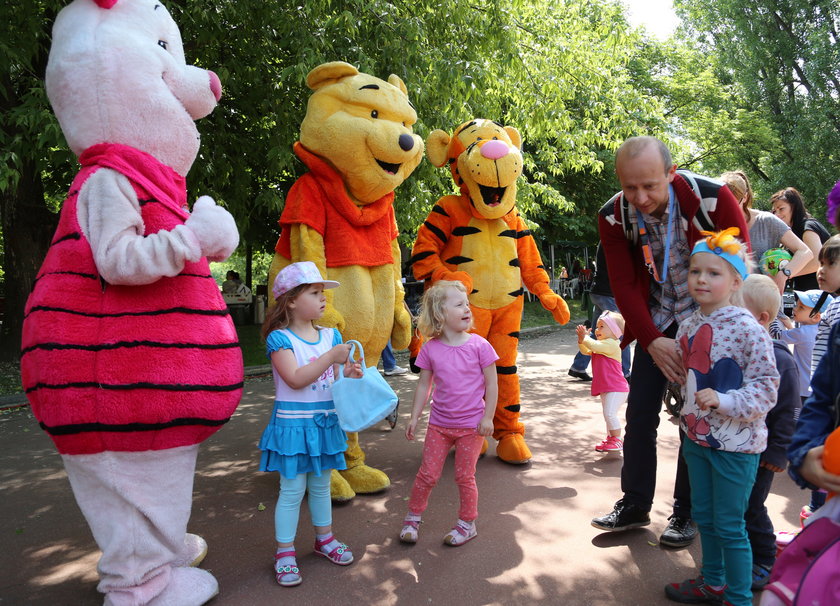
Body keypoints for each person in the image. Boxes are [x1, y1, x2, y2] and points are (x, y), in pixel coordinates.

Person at [593, 136, 750, 547]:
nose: (640, 197)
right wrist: (651, 341)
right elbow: (624, 285)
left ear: (670, 173)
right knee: (639, 413)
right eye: (630, 187)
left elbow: (737, 267)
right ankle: (634, 503)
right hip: (657, 318)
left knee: (696, 418)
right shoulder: (612, 217)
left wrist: (717, 337)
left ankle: (686, 512)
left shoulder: (714, 200)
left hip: (709, 322)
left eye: (650, 185)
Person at [664, 230, 779, 606]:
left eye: (714, 273)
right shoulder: (688, 325)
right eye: (695, 271)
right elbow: (690, 373)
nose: (701, 279)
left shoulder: (749, 328)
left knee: (731, 525)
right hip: (696, 440)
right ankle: (712, 582)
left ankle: (739, 598)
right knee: (705, 516)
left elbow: (767, 388)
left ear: (735, 282)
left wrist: (726, 401)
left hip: (736, 446)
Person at [258, 261, 363, 587]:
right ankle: (285, 553)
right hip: (292, 426)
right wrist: (331, 358)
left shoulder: (331, 335)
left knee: (320, 486)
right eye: (315, 293)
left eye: (323, 293)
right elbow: (296, 378)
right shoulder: (279, 339)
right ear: (290, 300)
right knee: (291, 490)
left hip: (324, 424)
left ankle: (324, 540)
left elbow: (332, 380)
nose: (323, 299)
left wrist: (349, 373)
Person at [399, 280, 498, 546]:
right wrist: (414, 416)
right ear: (440, 313)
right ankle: (412, 519)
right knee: (428, 474)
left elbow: (492, 384)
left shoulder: (480, 345)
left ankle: (467, 524)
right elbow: (424, 385)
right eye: (459, 304)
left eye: (467, 303)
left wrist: (488, 417)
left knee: (464, 477)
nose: (467, 308)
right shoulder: (430, 348)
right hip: (439, 426)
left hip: (472, 427)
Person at [740, 275, 799, 590]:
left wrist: (779, 451)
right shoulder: (739, 350)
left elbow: (790, 410)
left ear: (762, 319)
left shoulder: (779, 358)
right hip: (739, 448)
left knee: (751, 506)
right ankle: (742, 554)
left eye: (739, 311)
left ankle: (764, 559)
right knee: (737, 506)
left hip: (763, 455)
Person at [721, 171, 813, 293]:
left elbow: (805, 252)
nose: (727, 208)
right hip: (731, 304)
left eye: (732, 203)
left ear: (745, 197)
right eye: (722, 202)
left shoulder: (766, 220)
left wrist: (783, 275)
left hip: (765, 301)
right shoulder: (715, 224)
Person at [568, 243, 631, 381]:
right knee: (619, 331)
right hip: (608, 293)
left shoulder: (606, 238)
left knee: (598, 331)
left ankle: (578, 367)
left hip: (598, 291)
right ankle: (625, 373)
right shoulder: (616, 238)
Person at [576, 311, 629, 452]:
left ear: (614, 331)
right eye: (598, 326)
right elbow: (586, 351)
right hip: (607, 387)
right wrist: (581, 340)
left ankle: (617, 439)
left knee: (609, 413)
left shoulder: (611, 344)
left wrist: (585, 337)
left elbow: (593, 346)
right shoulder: (601, 345)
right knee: (608, 414)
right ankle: (610, 438)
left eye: (602, 327)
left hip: (617, 388)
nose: (598, 330)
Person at [771, 187, 831, 291]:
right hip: (806, 296)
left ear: (794, 208)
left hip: (823, 296)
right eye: (774, 211)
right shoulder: (790, 233)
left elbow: (817, 262)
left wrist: (784, 275)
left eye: (781, 209)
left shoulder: (808, 228)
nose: (777, 215)